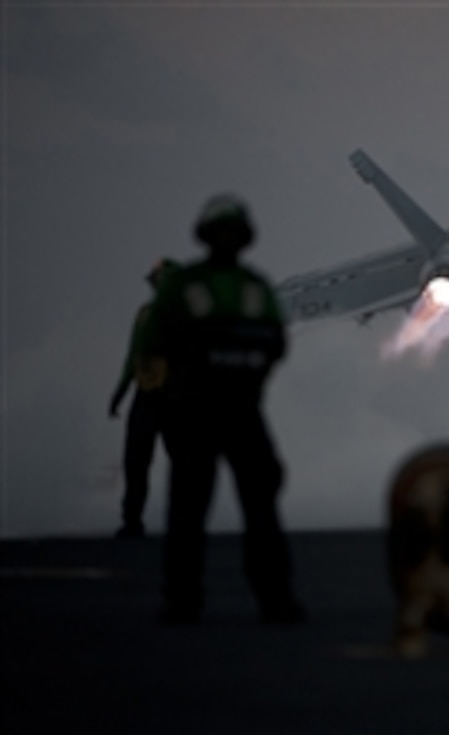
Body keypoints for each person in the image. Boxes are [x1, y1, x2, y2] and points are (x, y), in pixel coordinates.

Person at [142, 193, 304, 625]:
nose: (227, 239)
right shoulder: (195, 285)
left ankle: (273, 598)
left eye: (233, 233)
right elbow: (153, 342)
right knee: (193, 508)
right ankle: (186, 599)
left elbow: (275, 342)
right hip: (201, 411)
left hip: (235, 410)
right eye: (223, 232)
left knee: (257, 504)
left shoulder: (249, 287)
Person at [108, 258, 179, 539]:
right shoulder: (145, 314)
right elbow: (133, 356)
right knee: (135, 461)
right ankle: (132, 519)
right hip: (147, 395)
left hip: (176, 396)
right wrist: (120, 392)